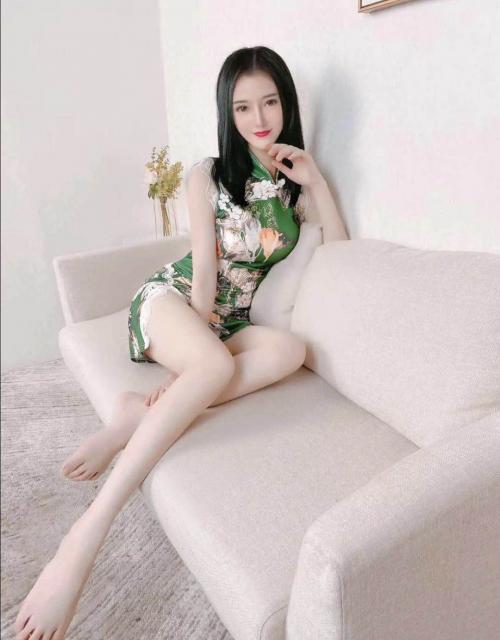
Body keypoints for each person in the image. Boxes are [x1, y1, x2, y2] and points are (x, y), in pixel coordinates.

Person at [14, 45, 348, 640]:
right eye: (242, 106)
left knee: (291, 351)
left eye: (270, 101)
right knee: (213, 365)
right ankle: (85, 537)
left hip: (232, 322)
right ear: (228, 112)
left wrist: (317, 180)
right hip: (175, 302)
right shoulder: (207, 175)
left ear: (287, 104)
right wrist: (197, 356)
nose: (259, 118)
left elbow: (342, 256)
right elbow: (205, 275)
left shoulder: (295, 186)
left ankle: (133, 415)